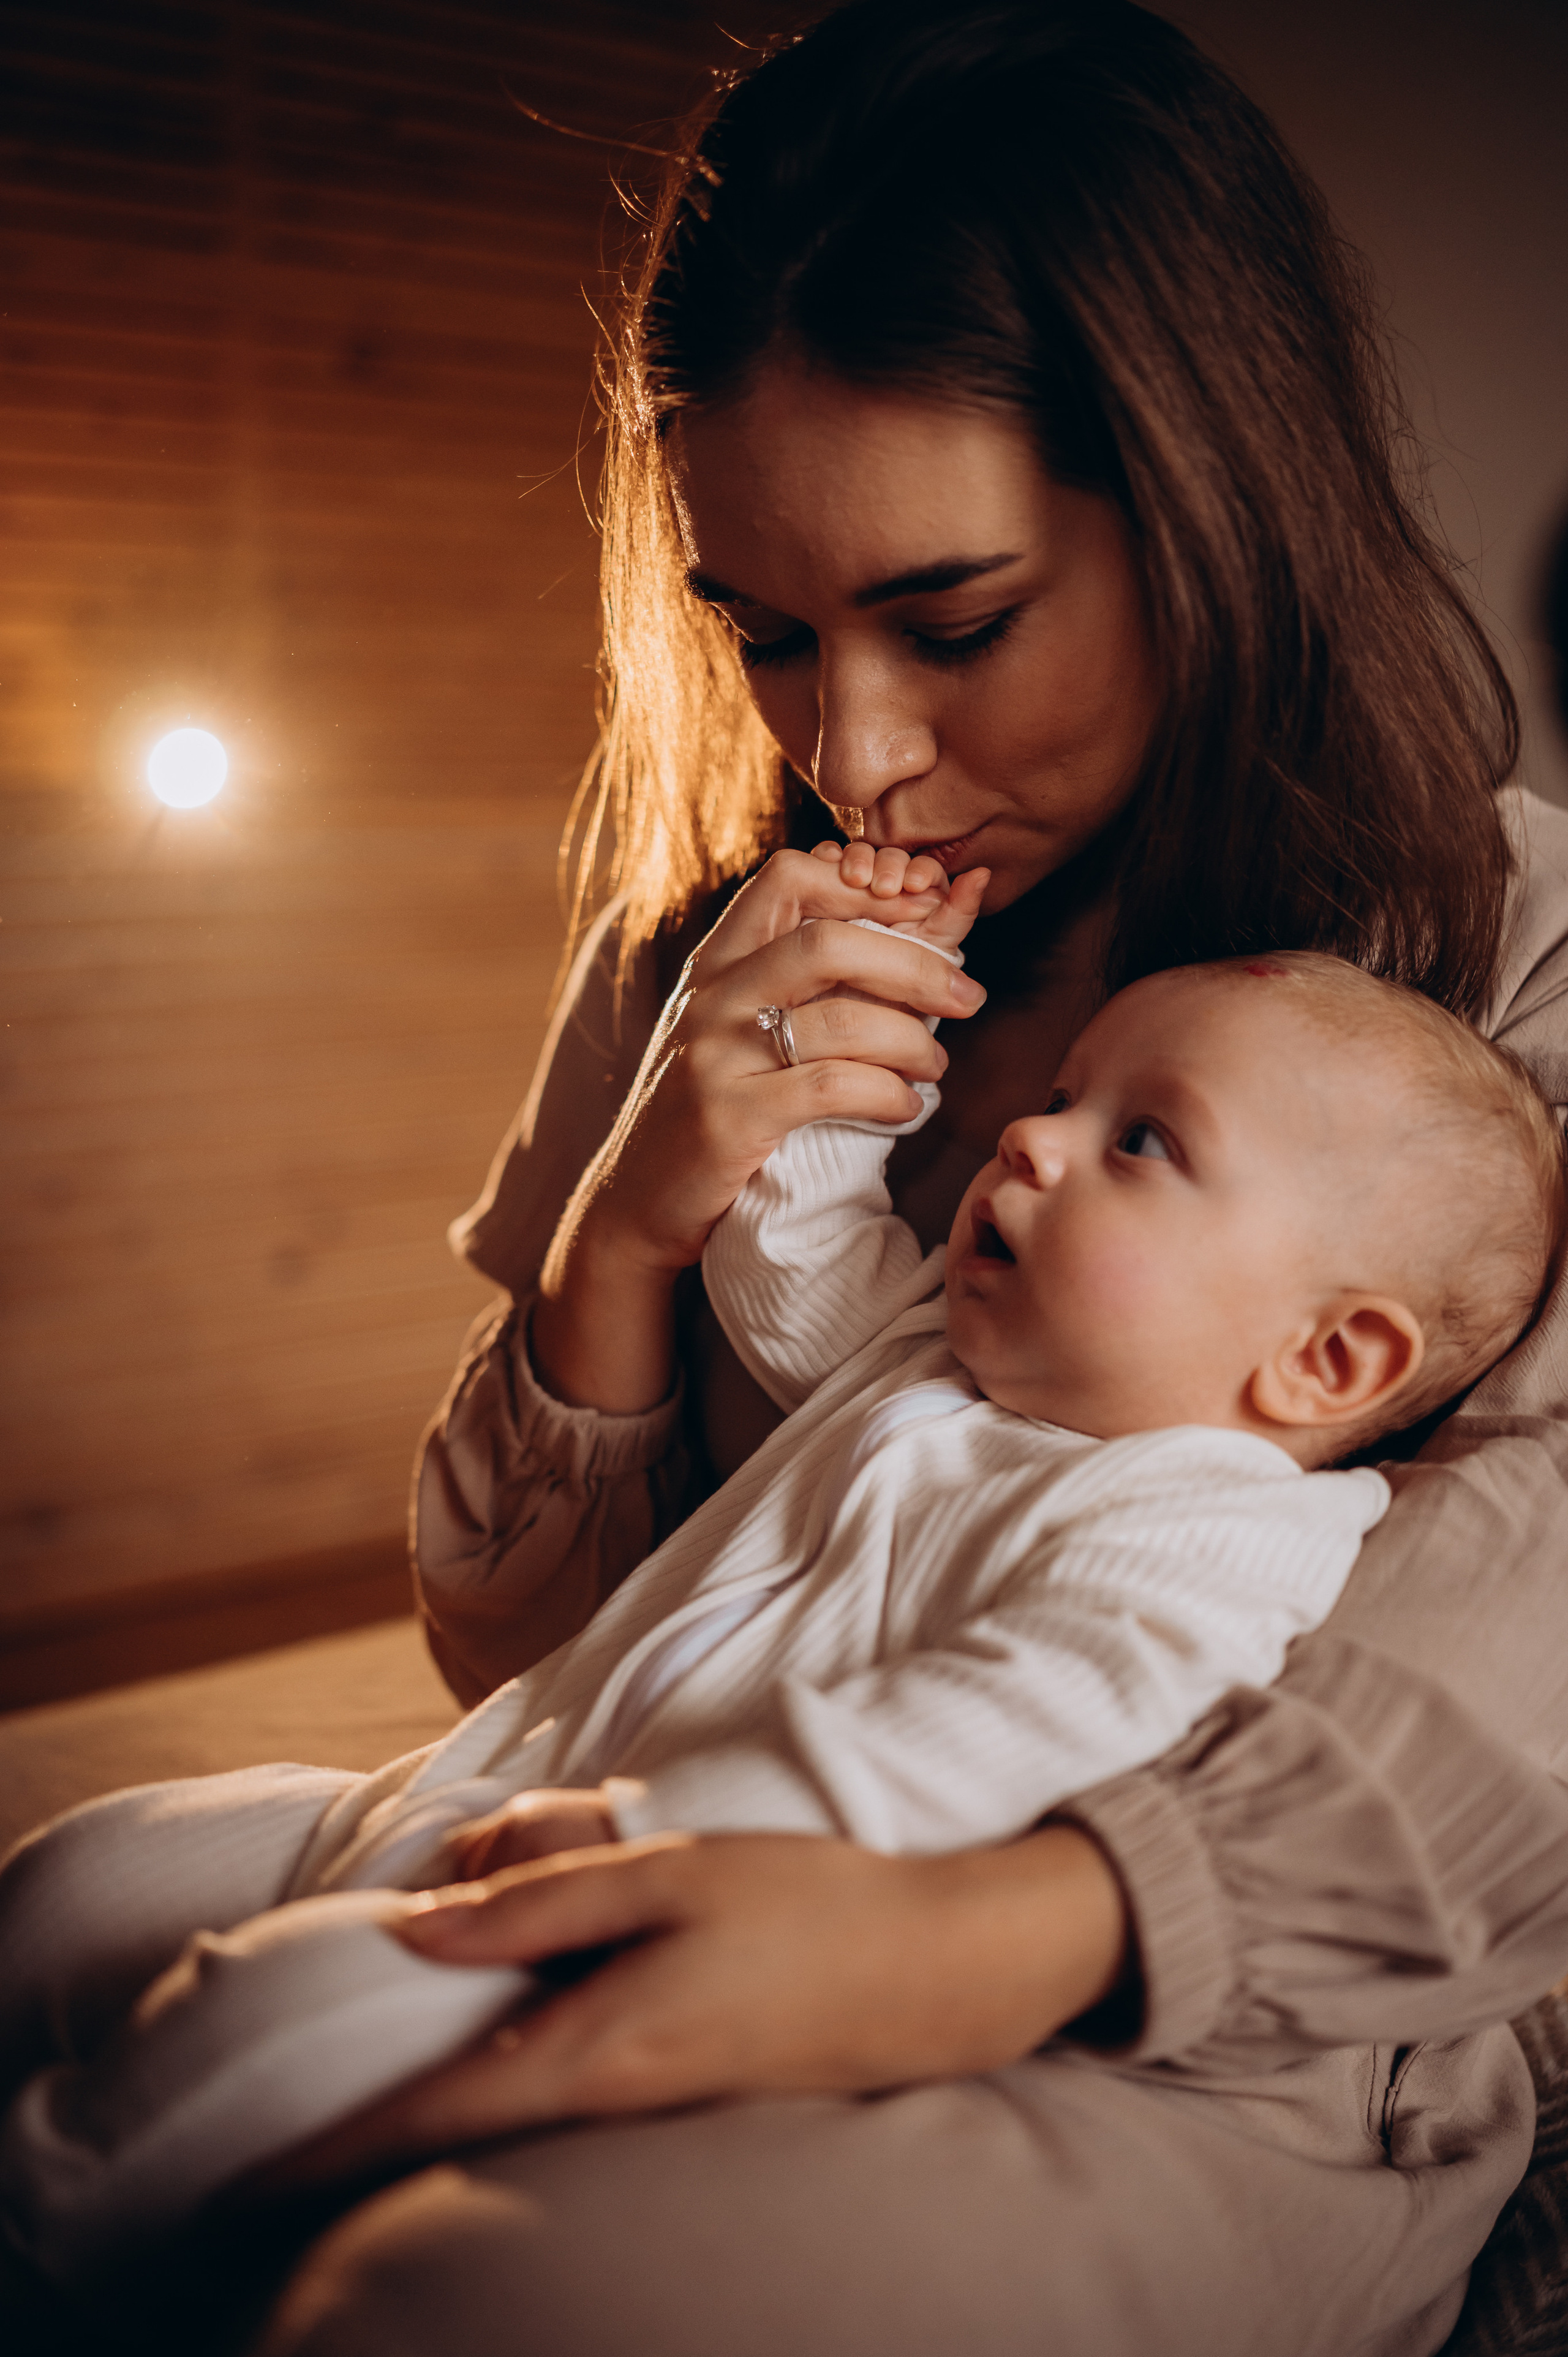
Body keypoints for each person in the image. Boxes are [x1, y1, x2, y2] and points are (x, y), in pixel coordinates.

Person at [47, 2, 1565, 2349]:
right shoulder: (718, 947)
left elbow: (1525, 1641)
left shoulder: (1511, 962)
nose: (852, 748)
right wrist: (624, 1228)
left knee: (440, 2295)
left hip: (1201, 2011)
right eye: (761, 632)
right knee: (65, 1909)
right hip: (609, 1791)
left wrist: (975, 1930)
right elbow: (525, 1660)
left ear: (1212, 508)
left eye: (955, 624)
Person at [17, 898, 1558, 2277]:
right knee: (75, 1884)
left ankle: (58, 2239)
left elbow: (1009, 1719)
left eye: (1139, 1141)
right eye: (1060, 1096)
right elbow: (787, 1253)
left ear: (1325, 1358)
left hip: (629, 1889)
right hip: (468, 1782)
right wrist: (860, 1005)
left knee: (257, 2033)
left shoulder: (1215, 1523)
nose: (1030, 1141)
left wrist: (677, 1830)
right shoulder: (935, 1346)